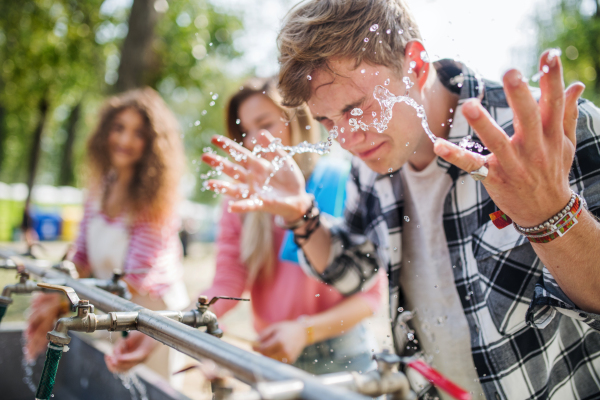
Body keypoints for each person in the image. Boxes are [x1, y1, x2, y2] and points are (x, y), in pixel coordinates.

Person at [202, 1, 600, 399]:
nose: (346, 139)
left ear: (415, 63)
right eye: (327, 122)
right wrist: (302, 215)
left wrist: (552, 215)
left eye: (357, 109)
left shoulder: (550, 134)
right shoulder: (367, 167)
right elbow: (352, 272)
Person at [107, 77, 385, 376]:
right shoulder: (238, 203)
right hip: (273, 356)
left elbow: (371, 297)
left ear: (297, 123)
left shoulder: (343, 183)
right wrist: (160, 332)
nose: (253, 141)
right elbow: (225, 286)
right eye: (243, 132)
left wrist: (304, 331)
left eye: (265, 126)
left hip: (344, 356)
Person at [26, 88, 189, 376]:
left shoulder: (154, 200)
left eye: (138, 133)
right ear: (105, 132)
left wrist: (66, 299)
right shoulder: (99, 188)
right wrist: (55, 291)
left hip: (152, 314)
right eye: (119, 128)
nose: (125, 140)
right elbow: (81, 254)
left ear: (152, 144)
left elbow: (135, 278)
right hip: (111, 304)